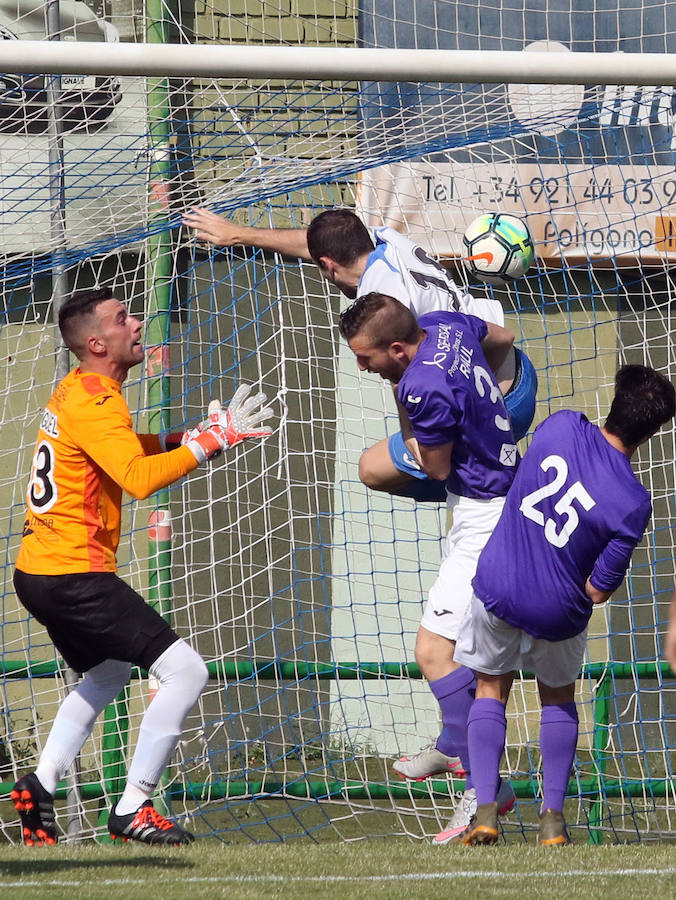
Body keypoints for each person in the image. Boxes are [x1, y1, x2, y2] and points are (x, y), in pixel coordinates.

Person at [11, 287, 274, 847]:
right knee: (187, 672)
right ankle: (134, 807)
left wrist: (192, 438)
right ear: (96, 342)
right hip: (72, 573)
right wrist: (209, 443)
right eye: (122, 318)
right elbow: (136, 477)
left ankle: (41, 782)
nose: (137, 324)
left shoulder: (79, 390)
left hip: (40, 572)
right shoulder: (100, 397)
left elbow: (121, 448)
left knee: (107, 672)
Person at [450, 364, 675, 846]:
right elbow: (598, 591)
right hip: (559, 611)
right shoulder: (634, 502)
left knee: (490, 691)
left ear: (614, 403)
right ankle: (552, 821)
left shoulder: (560, 425)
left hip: (501, 586)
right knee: (557, 699)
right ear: (653, 431)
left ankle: (485, 811)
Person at [182, 207, 537, 502]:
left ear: (330, 266)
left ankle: (501, 493)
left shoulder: (385, 302)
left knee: (374, 470)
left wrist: (413, 425)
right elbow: (318, 245)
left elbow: (414, 380)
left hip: (499, 406)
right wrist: (239, 234)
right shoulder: (386, 240)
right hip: (519, 370)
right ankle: (496, 484)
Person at [338, 292, 521, 843]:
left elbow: (434, 466)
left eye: (367, 359)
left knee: (433, 651)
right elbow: (504, 338)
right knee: (466, 654)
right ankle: (458, 750)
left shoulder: (418, 385)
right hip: (497, 500)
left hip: (482, 517)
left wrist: (402, 399)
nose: (362, 368)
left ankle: (483, 784)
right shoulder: (443, 325)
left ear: (397, 349)